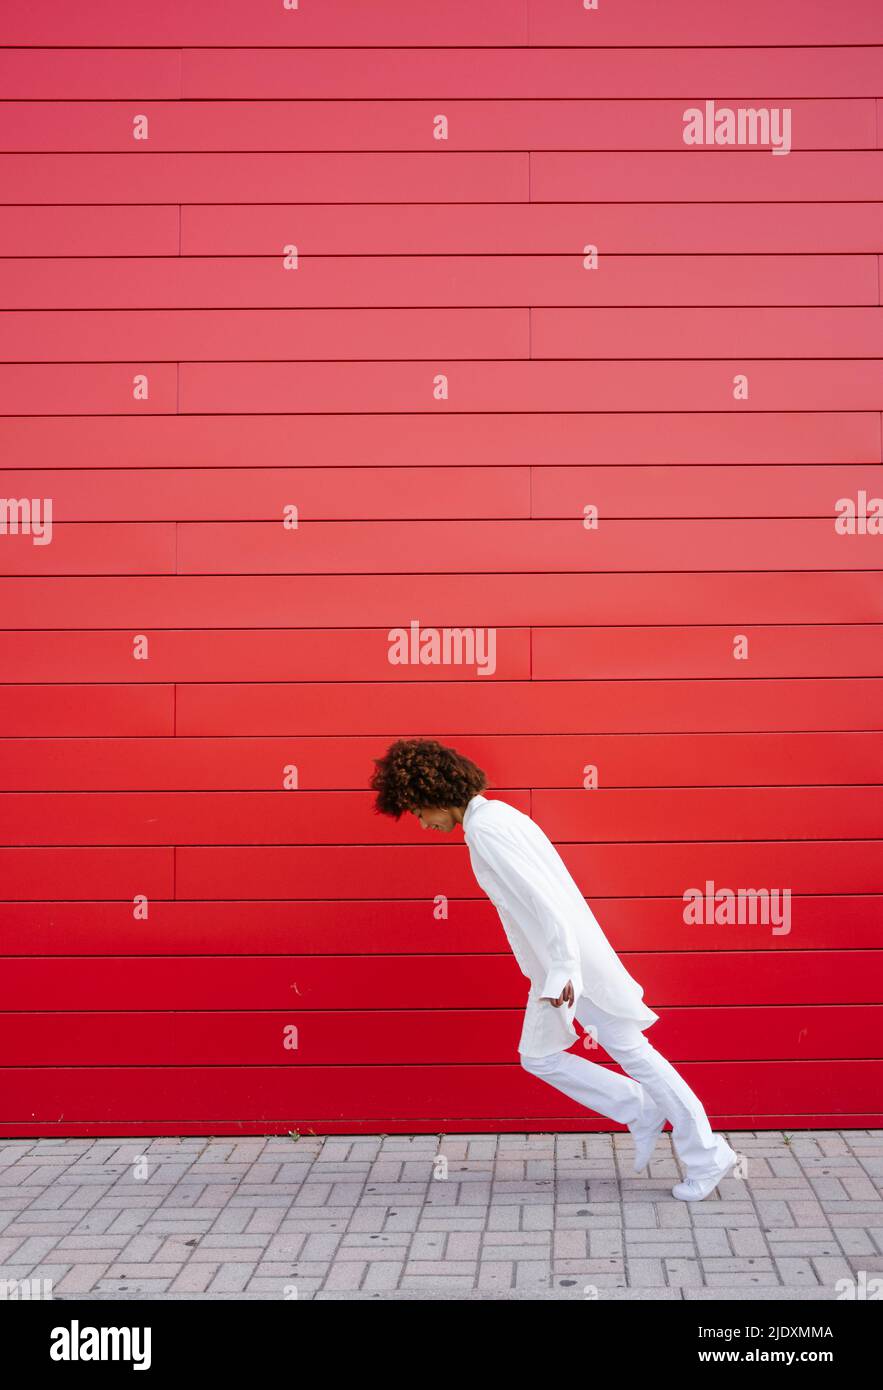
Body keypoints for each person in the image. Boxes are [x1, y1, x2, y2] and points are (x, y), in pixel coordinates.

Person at [370, 737, 738, 1201]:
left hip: (569, 969)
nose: (423, 823)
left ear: (433, 795)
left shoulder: (486, 830)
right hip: (553, 969)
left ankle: (706, 1155)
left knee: (634, 1053)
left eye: (418, 812)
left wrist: (564, 968)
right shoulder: (497, 817)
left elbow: (545, 900)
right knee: (540, 1057)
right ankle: (640, 1109)